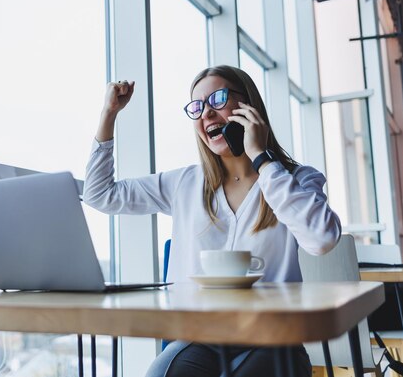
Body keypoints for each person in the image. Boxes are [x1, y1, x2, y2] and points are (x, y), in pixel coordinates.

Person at [82, 65, 341, 377]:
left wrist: (260, 157)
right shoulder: (186, 183)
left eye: (218, 99)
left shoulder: (296, 179)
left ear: (249, 107)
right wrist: (108, 114)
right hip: (199, 338)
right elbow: (99, 194)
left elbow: (322, 238)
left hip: (273, 337)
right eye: (197, 107)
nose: (206, 113)